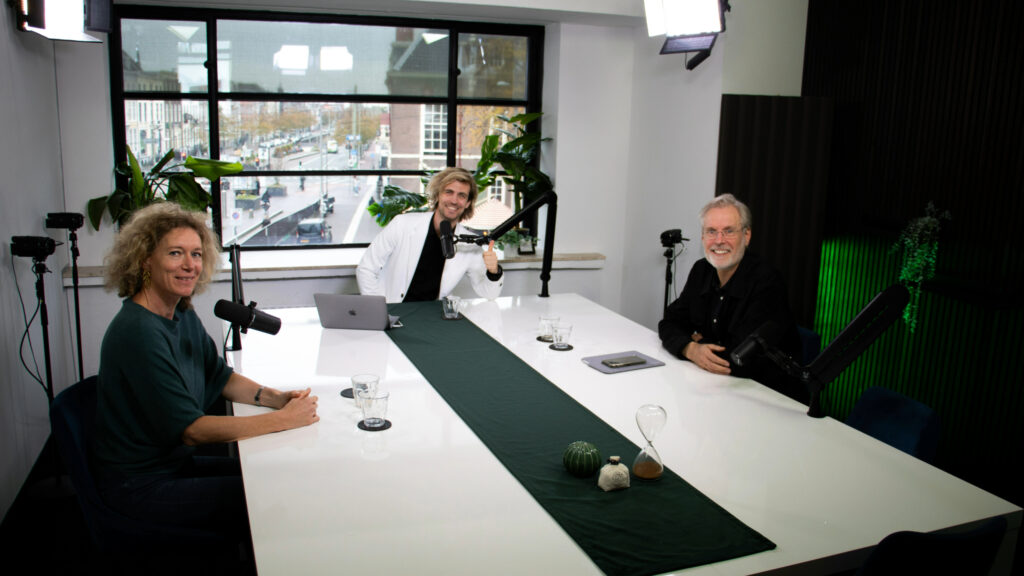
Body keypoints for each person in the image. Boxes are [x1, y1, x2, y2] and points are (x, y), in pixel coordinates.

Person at [92, 202, 319, 555]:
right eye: (175, 253)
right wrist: (282, 421)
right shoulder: (138, 332)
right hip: (140, 485)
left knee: (274, 475)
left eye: (196, 254)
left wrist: (276, 398)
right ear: (144, 260)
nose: (190, 265)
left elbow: (219, 376)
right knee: (274, 494)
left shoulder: (180, 312)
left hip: (172, 463)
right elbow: (193, 430)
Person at [659, 194, 805, 403]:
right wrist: (690, 348)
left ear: (746, 236)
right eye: (711, 232)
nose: (719, 241)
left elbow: (739, 359)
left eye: (728, 231)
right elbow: (669, 322)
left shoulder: (767, 281)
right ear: (702, 238)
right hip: (719, 389)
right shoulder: (701, 270)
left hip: (767, 397)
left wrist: (702, 341)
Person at [357, 167, 504, 302]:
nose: (454, 200)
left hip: (434, 316)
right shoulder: (402, 224)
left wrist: (493, 272)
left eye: (461, 195)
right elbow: (366, 268)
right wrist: (378, 308)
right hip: (394, 308)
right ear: (438, 195)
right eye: (449, 192)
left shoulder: (468, 242)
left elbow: (489, 294)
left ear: (467, 203)